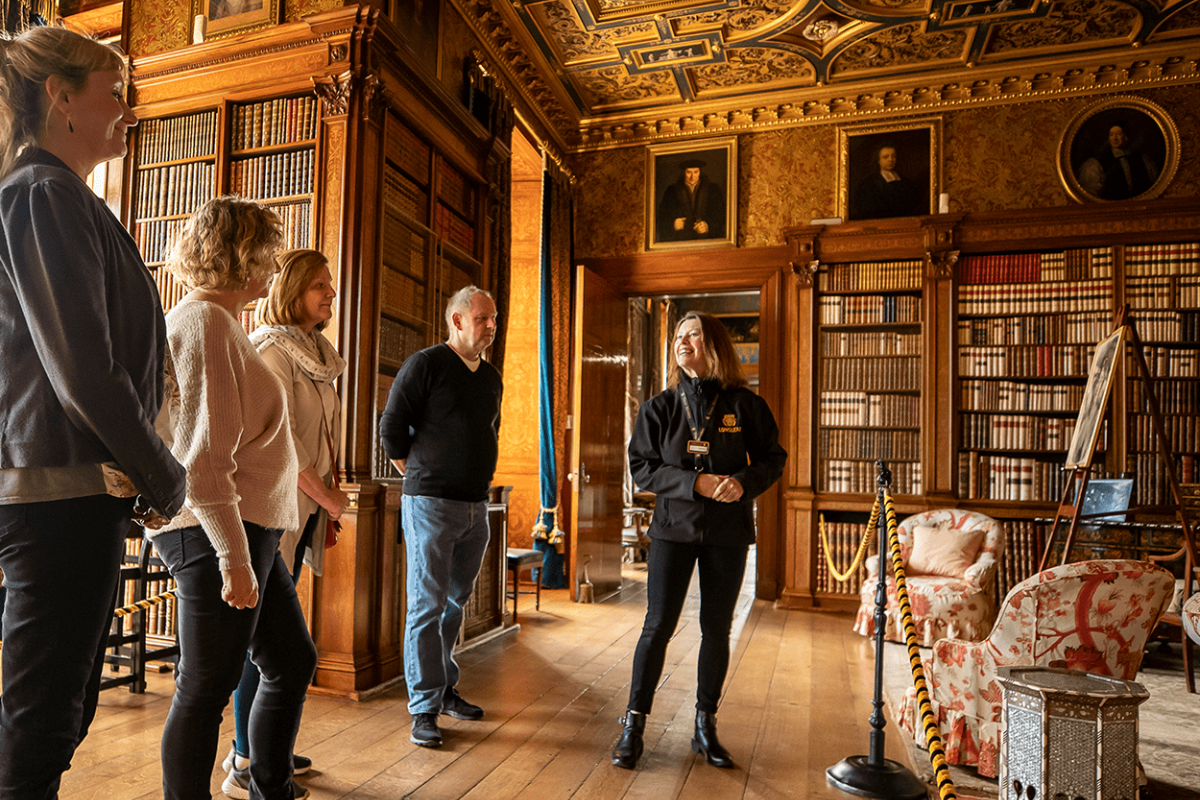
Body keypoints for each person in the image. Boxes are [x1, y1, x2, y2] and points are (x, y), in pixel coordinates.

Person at [0, 25, 187, 798]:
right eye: (114, 91)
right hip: (58, 499)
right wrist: (161, 474)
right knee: (44, 719)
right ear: (61, 96)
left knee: (58, 711)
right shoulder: (43, 192)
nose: (128, 110)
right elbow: (83, 368)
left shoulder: (61, 195)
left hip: (78, 493)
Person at [147, 196, 317, 800]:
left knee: (292, 660)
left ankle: (270, 785)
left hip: (244, 527)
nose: (273, 266)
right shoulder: (206, 323)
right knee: (205, 688)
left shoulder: (215, 322)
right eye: (267, 251)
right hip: (217, 529)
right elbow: (204, 460)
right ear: (241, 254)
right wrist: (234, 558)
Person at [612, 311, 786, 771]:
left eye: (693, 334)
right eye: (678, 335)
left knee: (716, 629)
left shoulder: (745, 405)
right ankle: (633, 724)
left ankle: (704, 724)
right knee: (658, 626)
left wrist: (744, 482)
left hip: (728, 533)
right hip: (672, 530)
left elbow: (773, 458)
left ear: (715, 345)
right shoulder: (660, 407)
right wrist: (697, 484)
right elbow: (642, 468)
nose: (682, 341)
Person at [219, 249, 349, 796]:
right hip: (269, 510)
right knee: (265, 643)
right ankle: (246, 760)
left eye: (330, 286)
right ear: (292, 288)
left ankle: (267, 745)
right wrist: (327, 496)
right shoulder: (271, 351)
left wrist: (325, 507)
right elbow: (284, 443)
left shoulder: (319, 352)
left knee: (275, 643)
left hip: (303, 511)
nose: (330, 294)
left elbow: (323, 436)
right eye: (319, 284)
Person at [378, 285, 503, 749]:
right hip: (430, 504)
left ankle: (445, 688)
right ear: (456, 320)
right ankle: (424, 708)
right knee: (426, 606)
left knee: (454, 603)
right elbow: (391, 427)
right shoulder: (426, 364)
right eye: (483, 318)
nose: (491, 326)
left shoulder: (490, 378)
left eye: (493, 319)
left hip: (476, 506)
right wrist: (417, 475)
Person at [1078, 122, 1160, 200]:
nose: (1115, 138)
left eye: (1119, 134)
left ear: (1126, 136)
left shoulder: (1142, 159)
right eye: (1111, 135)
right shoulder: (1096, 164)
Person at [656, 158, 726, 242]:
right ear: (683, 173)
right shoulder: (672, 190)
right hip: (681, 241)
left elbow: (721, 215)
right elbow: (661, 216)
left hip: (706, 241)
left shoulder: (712, 189)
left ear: (700, 172)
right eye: (688, 172)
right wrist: (673, 224)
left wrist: (708, 226)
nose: (692, 177)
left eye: (696, 172)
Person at [852, 142, 923, 219]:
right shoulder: (869, 183)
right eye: (886, 157)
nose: (890, 160)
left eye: (893, 156)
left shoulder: (905, 181)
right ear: (878, 160)